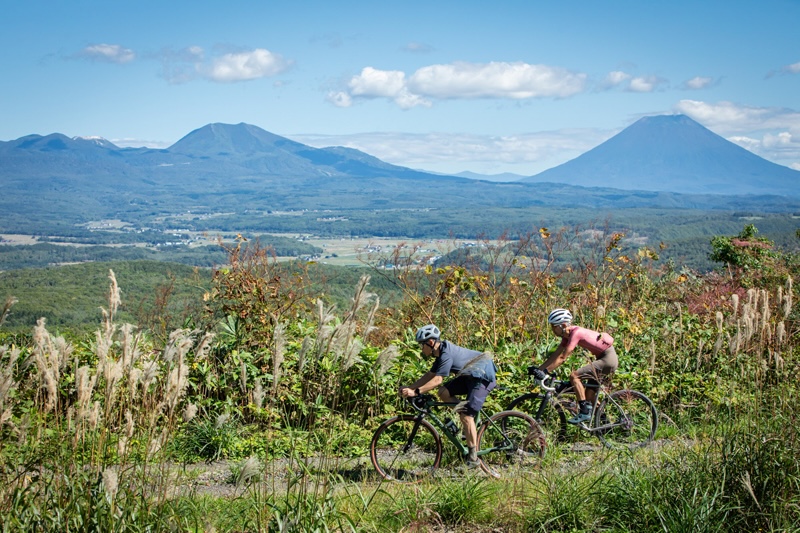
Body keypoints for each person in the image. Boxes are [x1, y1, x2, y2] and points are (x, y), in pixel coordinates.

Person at [399, 324, 497, 467]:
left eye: (422, 345)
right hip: (470, 376)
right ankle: (470, 421)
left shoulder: (446, 354)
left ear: (430, 342)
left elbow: (438, 380)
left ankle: (473, 459)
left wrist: (416, 392)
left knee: (466, 417)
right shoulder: (440, 353)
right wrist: (410, 387)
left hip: (482, 377)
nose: (421, 349)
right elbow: (430, 375)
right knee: (443, 392)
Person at [529, 308, 618, 424]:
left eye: (553, 326)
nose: (552, 329)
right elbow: (556, 355)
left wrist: (545, 371)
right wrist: (539, 369)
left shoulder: (576, 333)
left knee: (574, 376)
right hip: (602, 359)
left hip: (607, 359)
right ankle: (606, 424)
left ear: (563, 325)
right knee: (589, 395)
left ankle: (584, 411)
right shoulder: (567, 336)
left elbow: (562, 358)